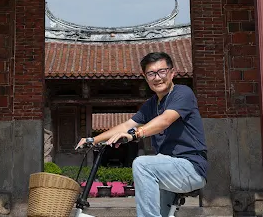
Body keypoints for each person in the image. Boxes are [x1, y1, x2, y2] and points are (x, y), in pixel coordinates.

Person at [75, 51, 208, 217]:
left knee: (142, 164)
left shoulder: (183, 93)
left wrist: (136, 134)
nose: (157, 78)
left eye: (162, 71)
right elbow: (126, 125)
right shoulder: (150, 105)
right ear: (146, 78)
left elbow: (165, 120)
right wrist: (93, 139)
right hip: (165, 169)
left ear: (172, 73)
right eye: (151, 74)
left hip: (190, 167)